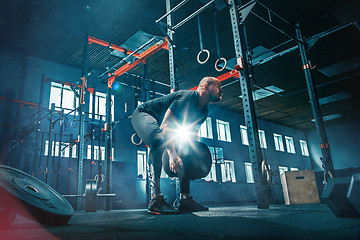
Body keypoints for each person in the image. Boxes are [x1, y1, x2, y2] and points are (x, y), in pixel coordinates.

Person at [131, 76, 222, 214]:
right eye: (218, 86)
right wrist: (172, 155)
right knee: (158, 140)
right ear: (206, 85)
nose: (221, 90)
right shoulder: (188, 97)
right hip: (144, 114)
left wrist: (185, 158)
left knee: (185, 149)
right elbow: (166, 125)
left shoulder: (203, 112)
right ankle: (155, 200)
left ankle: (185, 199)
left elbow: (191, 137)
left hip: (162, 126)